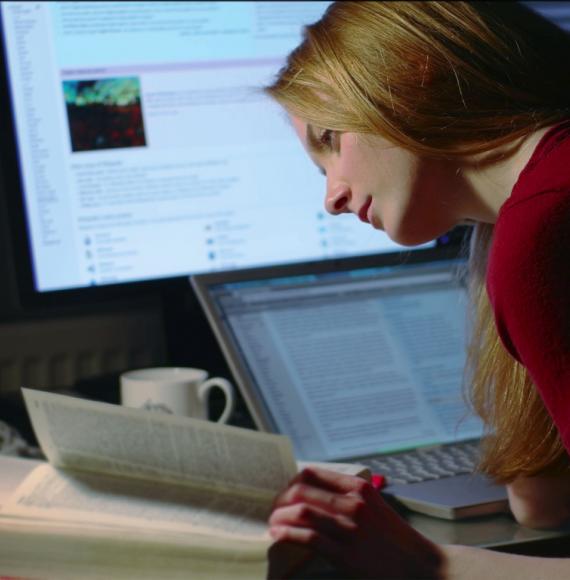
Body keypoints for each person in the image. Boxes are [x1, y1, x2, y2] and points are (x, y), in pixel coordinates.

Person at [263, 1, 570, 578]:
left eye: (330, 139)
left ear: (412, 75)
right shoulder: (538, 202)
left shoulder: (545, 231)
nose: (331, 197)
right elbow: (540, 506)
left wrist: (425, 563)